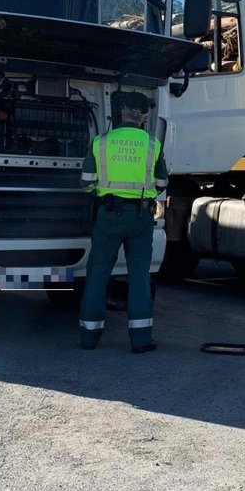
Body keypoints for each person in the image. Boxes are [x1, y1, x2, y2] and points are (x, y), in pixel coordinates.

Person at [78, 91, 168, 353]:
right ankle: (140, 341)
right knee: (139, 275)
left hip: (108, 215)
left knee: (98, 274)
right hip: (141, 217)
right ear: (145, 116)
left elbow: (85, 182)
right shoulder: (152, 144)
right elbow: (162, 184)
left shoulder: (101, 142)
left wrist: (100, 191)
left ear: (121, 113)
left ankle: (89, 338)